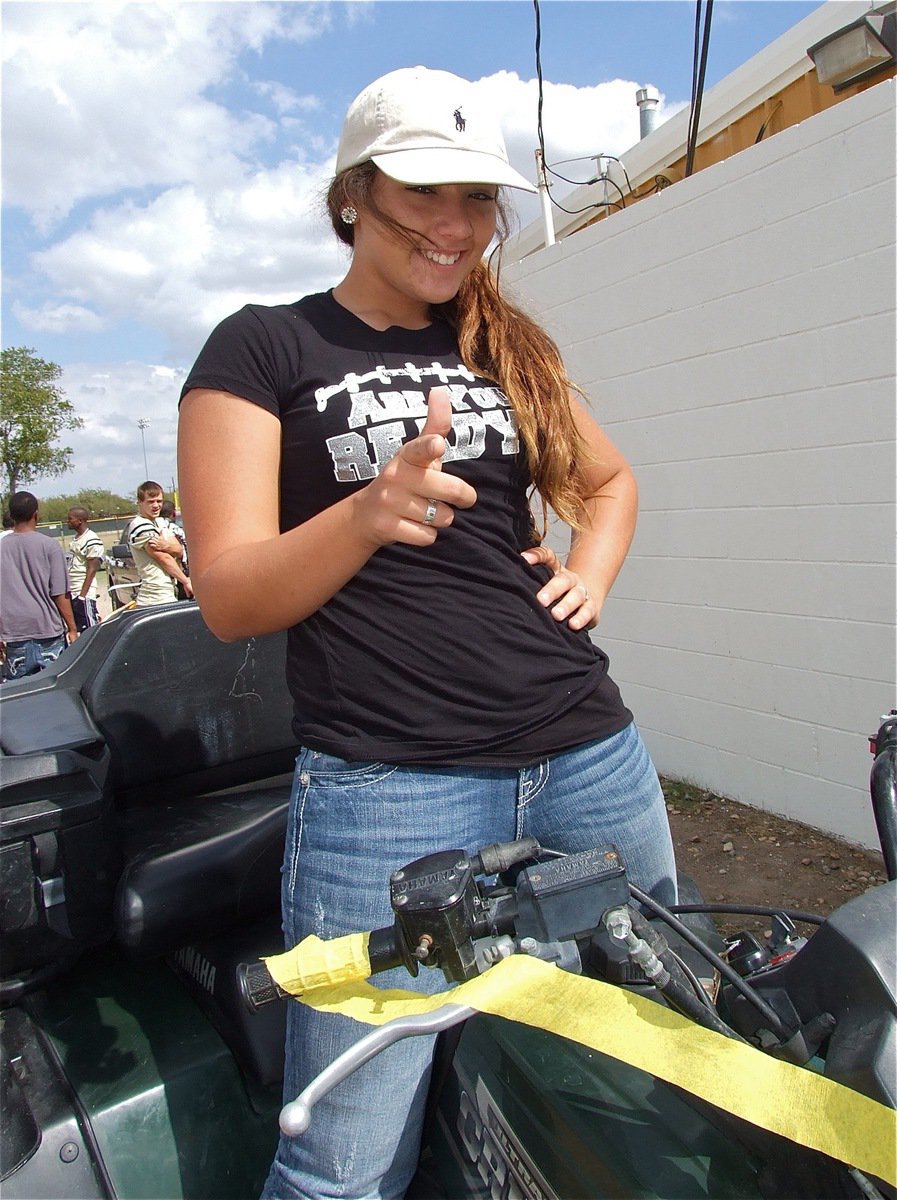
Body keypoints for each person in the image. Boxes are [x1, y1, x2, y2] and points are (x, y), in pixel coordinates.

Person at [178, 66, 677, 1200]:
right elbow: (231, 594)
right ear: (354, 194)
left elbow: (609, 483)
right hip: (389, 790)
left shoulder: (502, 342)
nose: (456, 228)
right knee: (344, 1159)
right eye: (424, 194)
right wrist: (362, 515)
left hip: (590, 756)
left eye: (477, 199)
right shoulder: (263, 348)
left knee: (652, 1069)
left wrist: (589, 576)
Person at [0, 491, 78, 680]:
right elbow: (60, 593)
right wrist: (72, 628)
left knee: (19, 696)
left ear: (11, 515)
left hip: (14, 636)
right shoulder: (49, 546)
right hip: (48, 633)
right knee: (55, 689)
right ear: (36, 514)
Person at [126, 481, 193, 606]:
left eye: (159, 501)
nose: (156, 505)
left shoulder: (159, 522)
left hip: (167, 591)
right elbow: (164, 558)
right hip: (155, 595)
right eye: (150, 502)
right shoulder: (140, 525)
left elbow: (179, 550)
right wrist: (186, 581)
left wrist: (166, 546)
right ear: (140, 502)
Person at [66, 506, 105, 630]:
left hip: (84, 593)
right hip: (75, 590)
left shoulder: (91, 539)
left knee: (90, 630)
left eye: (70, 519)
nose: (68, 521)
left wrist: (82, 596)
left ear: (80, 520)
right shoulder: (76, 539)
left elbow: (92, 569)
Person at [159, 499, 190, 600]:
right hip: (180, 577)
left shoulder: (152, 527)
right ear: (173, 514)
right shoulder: (175, 530)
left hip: (161, 582)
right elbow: (184, 552)